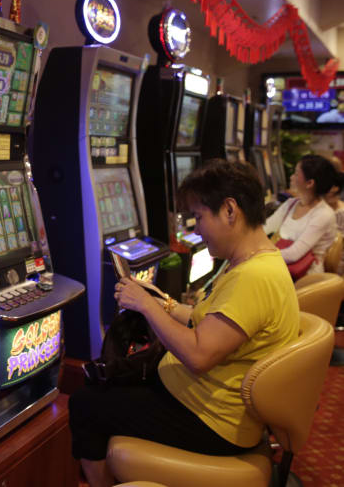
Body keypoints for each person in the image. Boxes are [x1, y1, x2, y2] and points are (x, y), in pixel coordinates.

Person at [69, 159, 299, 487]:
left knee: (85, 404)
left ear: (230, 210)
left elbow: (200, 355)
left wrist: (147, 307)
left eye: (200, 217)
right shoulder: (256, 260)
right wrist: (164, 302)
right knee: (108, 378)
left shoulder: (253, 277)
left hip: (214, 422)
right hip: (211, 402)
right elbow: (216, 323)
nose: (197, 230)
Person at [264, 154, 337, 276]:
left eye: (296, 174)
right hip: (281, 268)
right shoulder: (291, 204)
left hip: (304, 276)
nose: (291, 177)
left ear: (309, 183)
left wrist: (258, 255)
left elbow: (294, 254)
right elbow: (263, 228)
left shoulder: (324, 214)